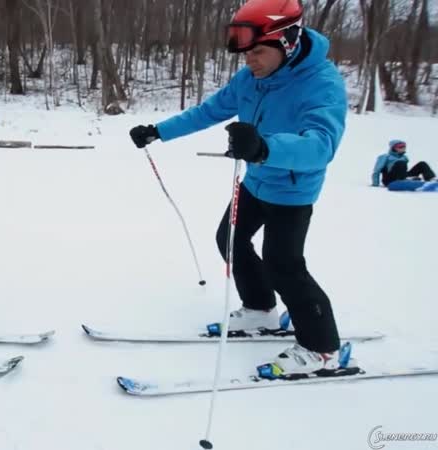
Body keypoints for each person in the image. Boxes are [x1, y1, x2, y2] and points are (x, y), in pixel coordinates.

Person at [128, 0, 349, 376]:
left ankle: (323, 348)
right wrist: (159, 131)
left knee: (285, 265)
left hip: (292, 191)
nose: (250, 61)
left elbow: (321, 145)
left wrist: (265, 147)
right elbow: (211, 110)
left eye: (258, 51)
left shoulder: (321, 84)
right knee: (229, 239)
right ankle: (261, 309)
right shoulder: (251, 78)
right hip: (256, 182)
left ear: (289, 43)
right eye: (246, 53)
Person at [371, 139, 435, 187]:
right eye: (400, 146)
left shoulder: (404, 157)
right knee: (400, 163)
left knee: (422, 164)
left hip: (402, 176)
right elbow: (377, 170)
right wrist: (375, 184)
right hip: (389, 180)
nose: (403, 148)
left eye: (404, 146)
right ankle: (405, 179)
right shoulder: (385, 157)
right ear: (393, 148)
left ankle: (431, 180)